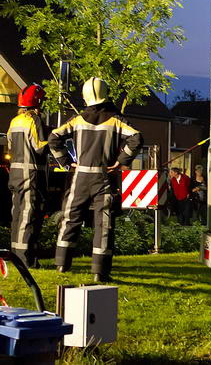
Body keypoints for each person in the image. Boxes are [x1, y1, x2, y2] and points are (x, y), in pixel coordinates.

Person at [49, 77, 143, 282]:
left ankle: (62, 265)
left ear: (85, 97)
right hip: (104, 177)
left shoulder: (78, 119)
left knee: (70, 219)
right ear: (106, 94)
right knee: (104, 223)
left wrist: (66, 162)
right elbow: (137, 138)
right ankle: (100, 272)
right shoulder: (115, 120)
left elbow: (54, 138)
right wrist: (121, 161)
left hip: (80, 177)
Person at [7, 84, 47, 268]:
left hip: (15, 175)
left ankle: (15, 255)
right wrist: (53, 138)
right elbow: (39, 147)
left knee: (17, 214)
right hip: (30, 175)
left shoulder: (14, 121)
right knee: (29, 215)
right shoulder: (34, 120)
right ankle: (26, 260)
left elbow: (10, 145)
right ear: (37, 102)